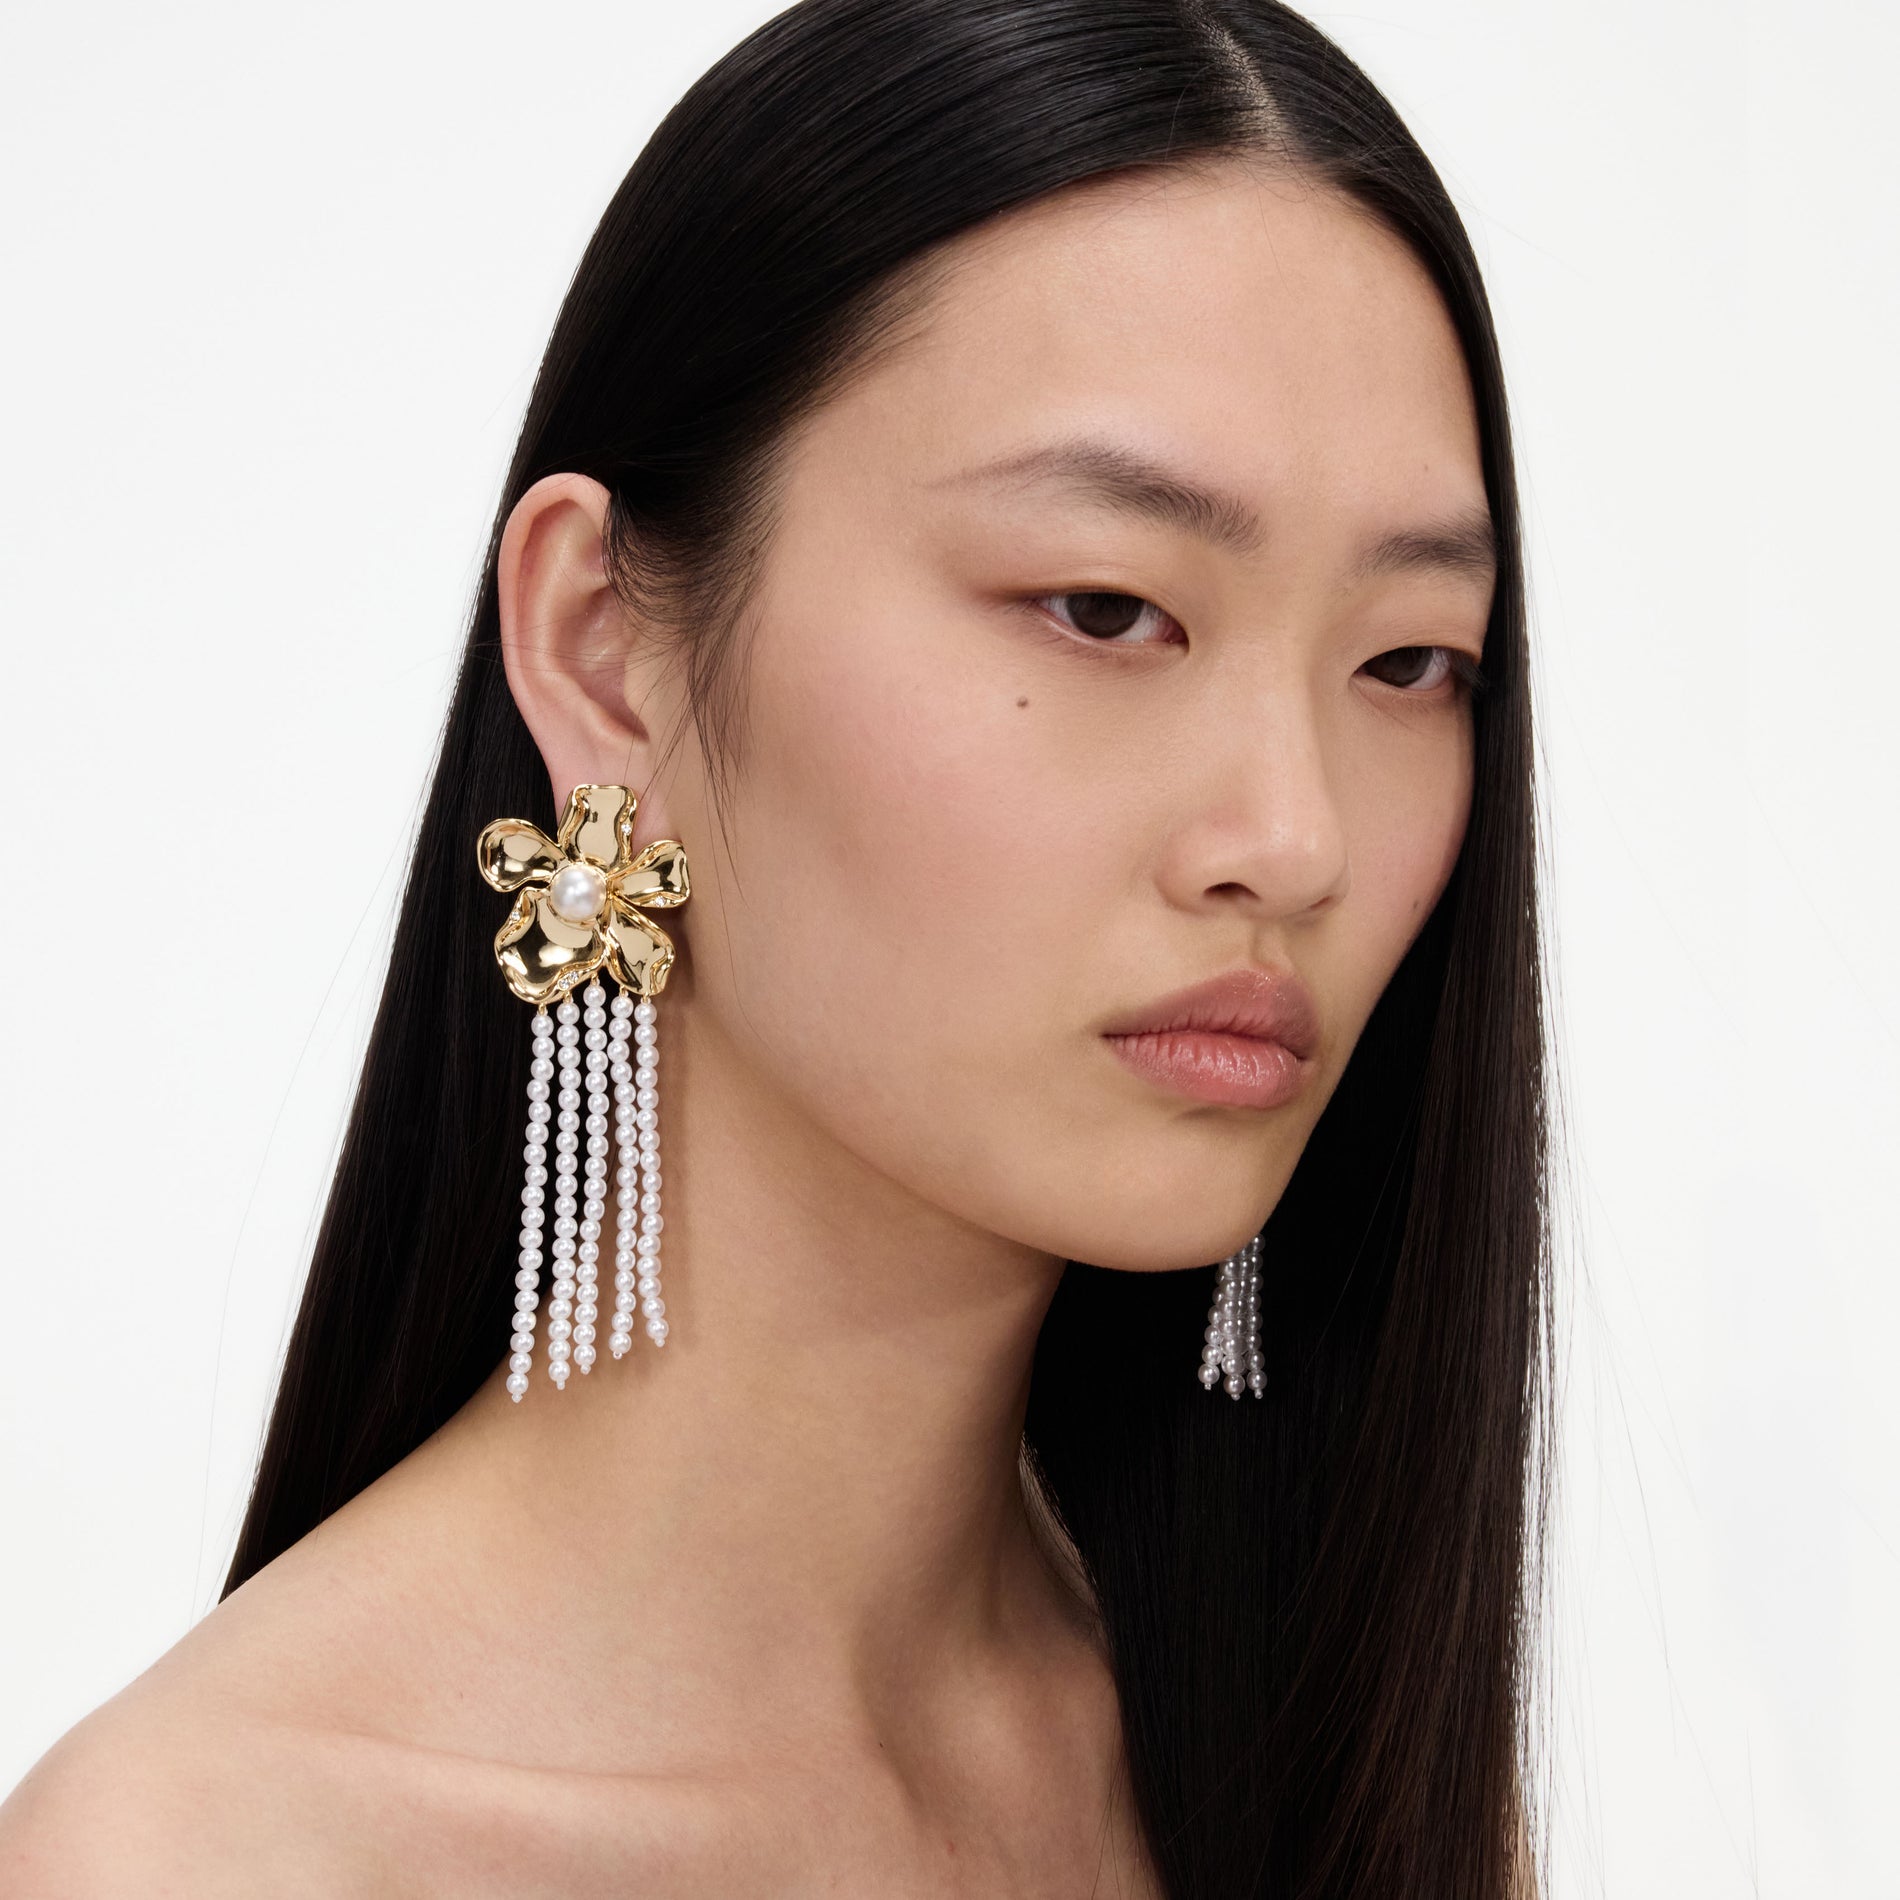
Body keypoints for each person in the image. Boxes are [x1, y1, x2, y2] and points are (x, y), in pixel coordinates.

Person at [0, 0, 1550, 1892]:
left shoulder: (1308, 1738)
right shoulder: (227, 1856)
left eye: (1411, 662)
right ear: (599, 646)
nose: (1292, 840)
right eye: (1105, 605)